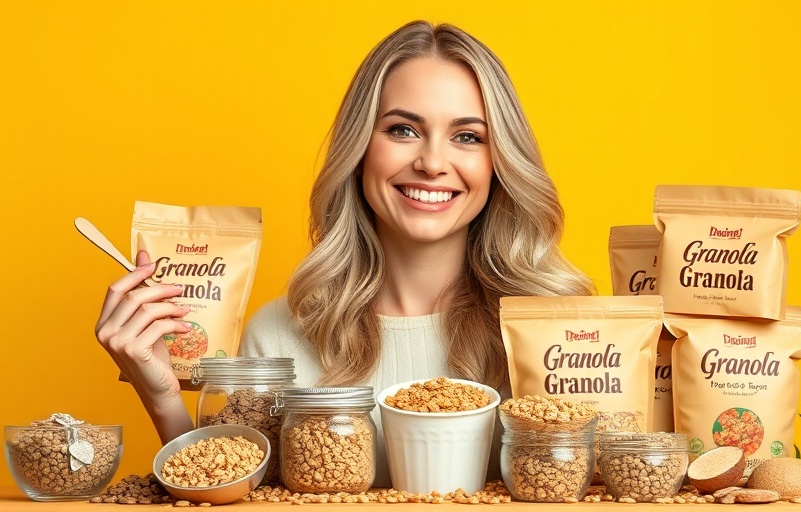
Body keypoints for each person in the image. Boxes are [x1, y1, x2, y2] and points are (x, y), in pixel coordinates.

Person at [95, 20, 594, 487]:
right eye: (403, 129)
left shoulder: (552, 333)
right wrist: (161, 395)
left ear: (500, 161)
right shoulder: (279, 337)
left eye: (468, 136)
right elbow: (240, 493)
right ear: (360, 148)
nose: (432, 163)